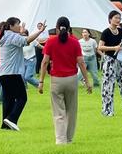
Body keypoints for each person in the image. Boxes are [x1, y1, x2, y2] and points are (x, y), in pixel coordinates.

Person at [39, 17, 92, 145]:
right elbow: (81, 62)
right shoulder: (74, 42)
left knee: (58, 112)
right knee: (71, 111)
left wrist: (41, 81)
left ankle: (60, 139)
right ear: (69, 28)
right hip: (71, 80)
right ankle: (69, 138)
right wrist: (87, 81)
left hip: (56, 80)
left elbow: (45, 61)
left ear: (57, 28)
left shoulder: (51, 42)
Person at [0, 17, 46, 131]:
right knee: (22, 98)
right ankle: (12, 119)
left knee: (8, 99)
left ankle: (5, 125)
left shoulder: (5, 36)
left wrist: (21, 31)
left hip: (3, 73)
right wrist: (39, 31)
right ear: (10, 26)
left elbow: (21, 38)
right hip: (12, 73)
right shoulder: (12, 36)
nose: (19, 26)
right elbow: (26, 41)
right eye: (18, 24)